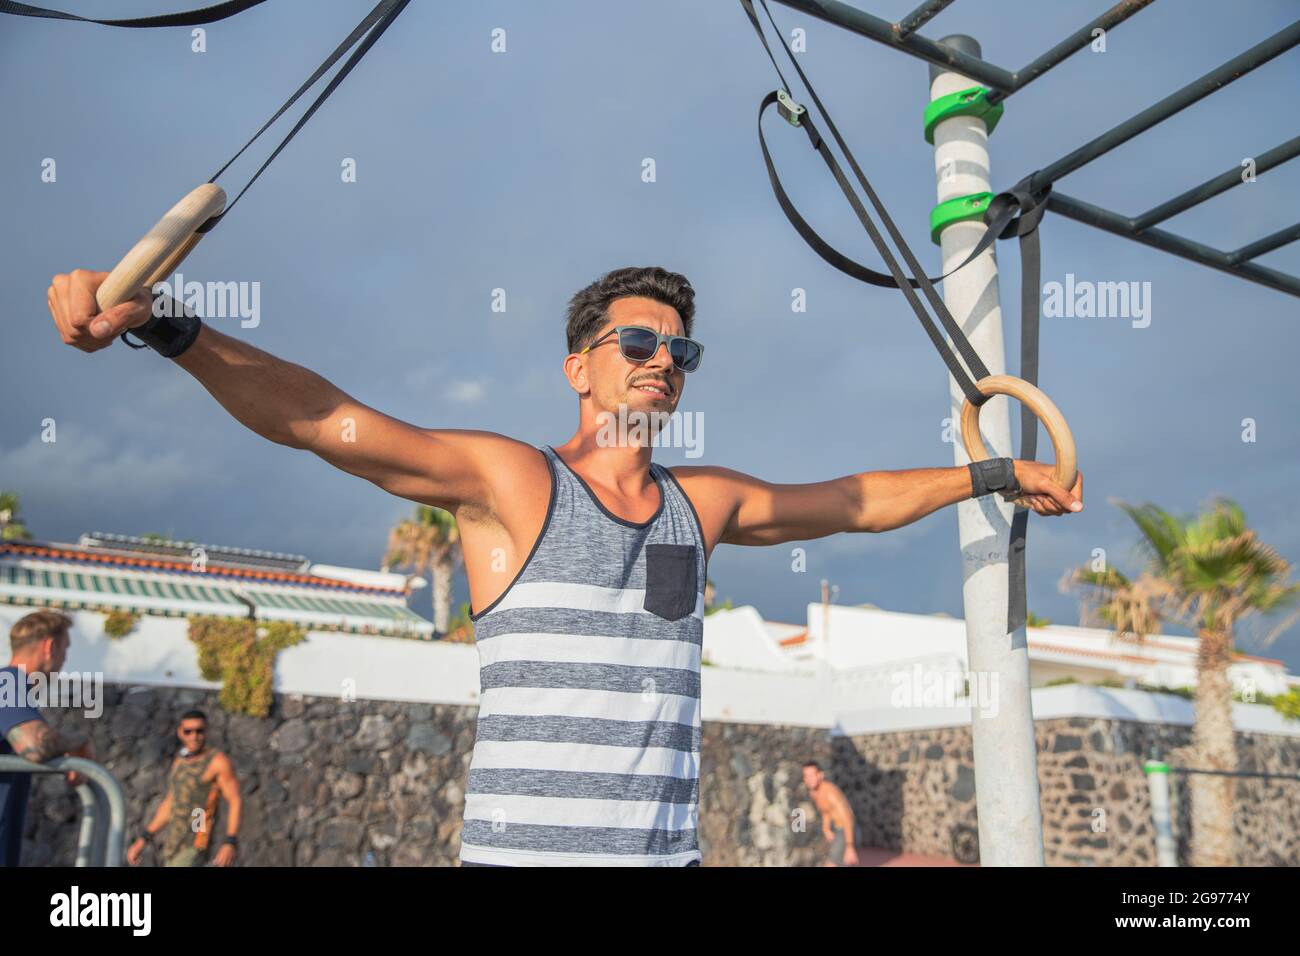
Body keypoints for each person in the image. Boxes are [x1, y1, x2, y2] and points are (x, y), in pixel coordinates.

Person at [46, 265, 1082, 866]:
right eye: (636, 340)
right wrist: (170, 329)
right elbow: (327, 420)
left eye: (681, 350)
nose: (662, 360)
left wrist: (994, 470)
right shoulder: (512, 482)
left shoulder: (701, 501)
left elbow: (853, 501)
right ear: (577, 366)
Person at [1, 610, 95, 867]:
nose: (64, 661)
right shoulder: (7, 683)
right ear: (50, 647)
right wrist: (80, 742)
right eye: (65, 650)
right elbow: (34, 745)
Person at [127, 711, 241, 867]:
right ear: (180, 733)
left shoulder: (217, 762)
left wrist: (230, 841)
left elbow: (234, 800)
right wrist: (144, 838)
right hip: (174, 843)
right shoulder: (180, 761)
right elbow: (171, 802)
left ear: (206, 731)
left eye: (199, 731)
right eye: (188, 731)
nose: (194, 736)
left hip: (196, 840)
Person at [802, 761, 859, 867]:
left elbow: (847, 818)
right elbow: (826, 811)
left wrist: (850, 847)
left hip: (847, 831)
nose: (809, 779)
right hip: (839, 831)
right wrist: (826, 828)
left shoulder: (830, 793)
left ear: (820, 775)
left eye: (812, 775)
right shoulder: (814, 792)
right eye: (806, 776)